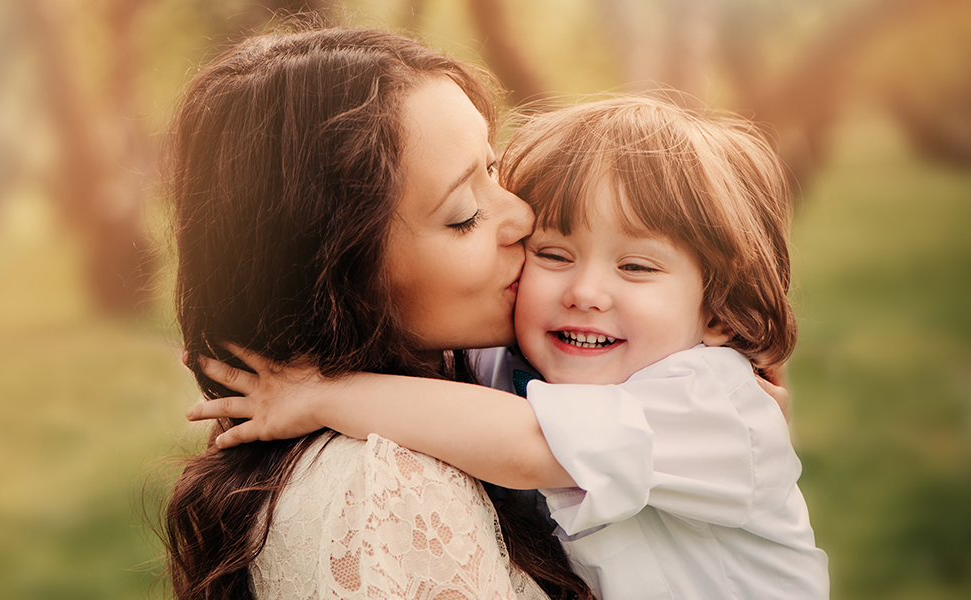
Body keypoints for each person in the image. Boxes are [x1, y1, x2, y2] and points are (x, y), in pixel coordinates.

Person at [190, 96, 827, 599]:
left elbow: (529, 446)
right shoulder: (511, 366)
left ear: (718, 312)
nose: (585, 291)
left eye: (636, 267)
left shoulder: (714, 404)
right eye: (554, 255)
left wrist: (325, 395)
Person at [162, 26, 594, 600]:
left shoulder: (459, 403)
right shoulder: (390, 490)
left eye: (492, 168)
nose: (520, 216)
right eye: (464, 214)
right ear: (340, 277)